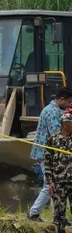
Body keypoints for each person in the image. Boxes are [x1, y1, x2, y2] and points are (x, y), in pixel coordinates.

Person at [29, 88, 72, 220]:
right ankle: (33, 213)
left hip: (55, 153)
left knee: (58, 185)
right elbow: (57, 132)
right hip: (46, 153)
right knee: (49, 184)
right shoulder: (51, 112)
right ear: (62, 99)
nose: (70, 104)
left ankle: (59, 217)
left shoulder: (58, 110)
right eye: (69, 102)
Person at [45, 110, 72, 233]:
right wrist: (50, 182)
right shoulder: (53, 139)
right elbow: (47, 161)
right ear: (66, 124)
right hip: (59, 182)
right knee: (59, 213)